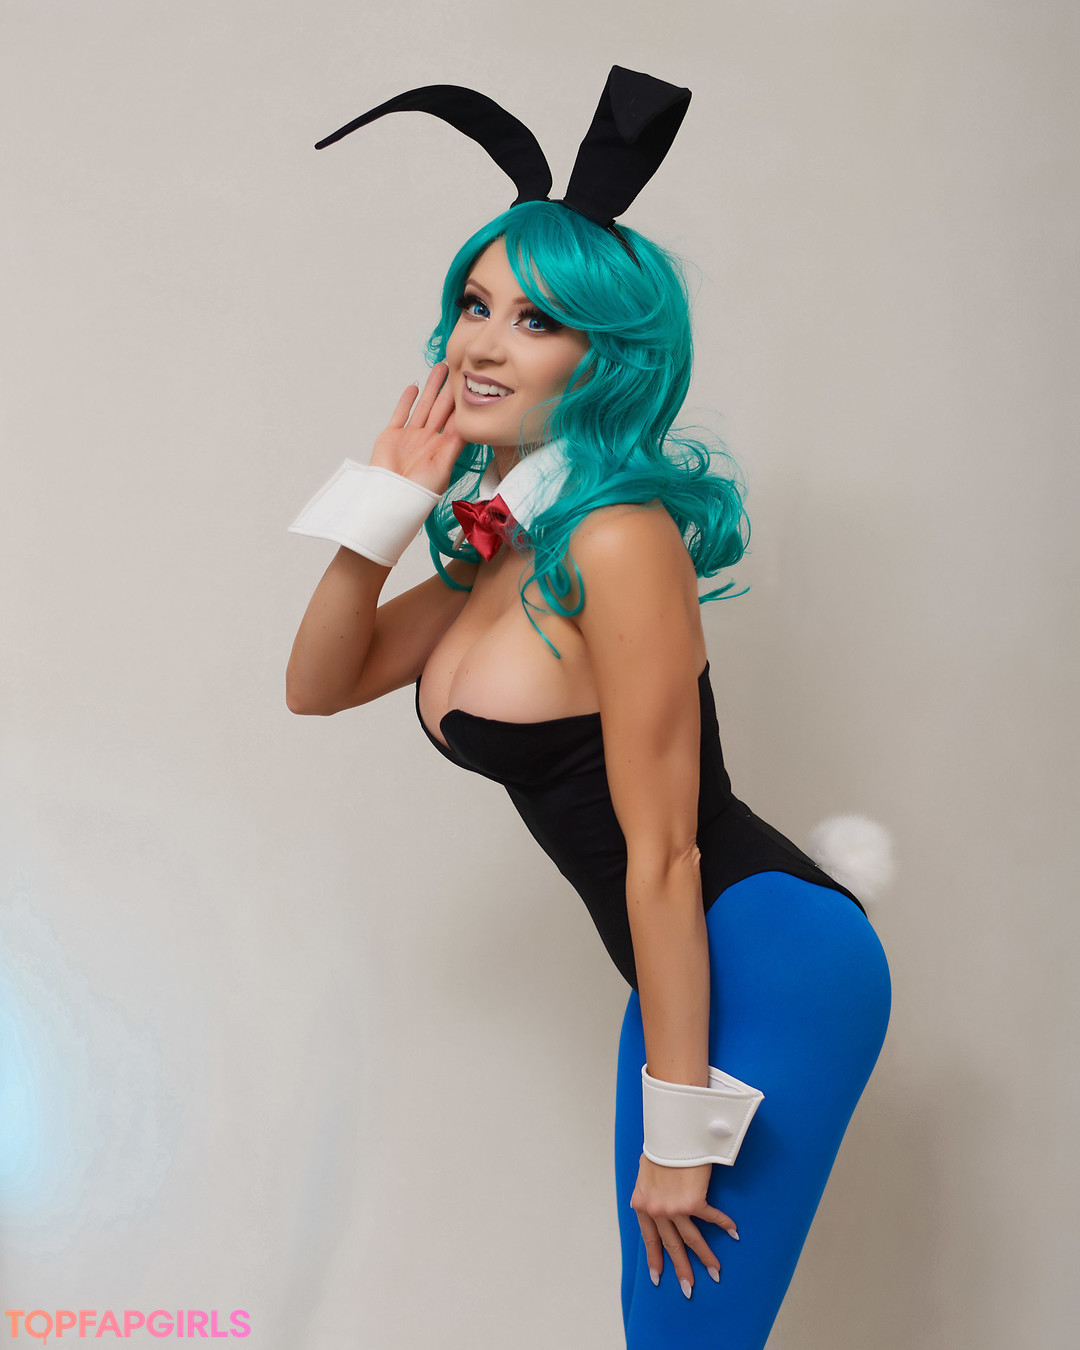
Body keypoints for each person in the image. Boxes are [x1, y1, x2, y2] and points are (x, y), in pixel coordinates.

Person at [285, 69, 892, 1350]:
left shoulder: (619, 540)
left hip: (768, 954)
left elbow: (664, 852)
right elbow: (319, 685)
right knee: (660, 1326)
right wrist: (387, 505)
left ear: (605, 357)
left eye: (537, 320)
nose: (482, 344)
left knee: (684, 1335)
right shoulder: (506, 540)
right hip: (682, 968)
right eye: (475, 305)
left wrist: (681, 1125)